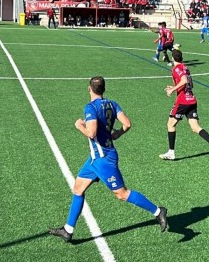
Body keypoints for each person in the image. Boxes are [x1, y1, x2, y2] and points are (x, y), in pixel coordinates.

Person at [48, 76, 168, 242]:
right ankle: (68, 230)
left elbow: (91, 133)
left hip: (103, 160)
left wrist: (79, 126)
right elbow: (127, 124)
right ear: (103, 89)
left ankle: (157, 211)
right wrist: (116, 134)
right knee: (78, 189)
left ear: (89, 88)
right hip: (95, 159)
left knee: (122, 194)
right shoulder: (112, 104)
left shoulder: (90, 108)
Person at [159, 49, 209, 161]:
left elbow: (183, 81)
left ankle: (171, 152)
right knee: (195, 127)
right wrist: (175, 87)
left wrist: (173, 89)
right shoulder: (185, 68)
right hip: (191, 99)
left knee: (170, 124)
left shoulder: (176, 68)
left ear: (173, 58)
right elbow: (190, 84)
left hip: (183, 101)